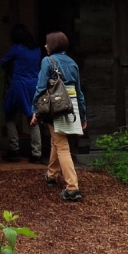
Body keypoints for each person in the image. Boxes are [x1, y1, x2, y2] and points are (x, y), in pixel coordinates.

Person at [31, 31, 87, 201]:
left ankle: (72, 188)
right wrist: (83, 115)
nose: (45, 46)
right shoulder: (73, 63)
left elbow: (41, 87)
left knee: (61, 145)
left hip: (55, 107)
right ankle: (52, 174)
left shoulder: (47, 61)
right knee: (57, 140)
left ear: (53, 45)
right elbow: (79, 92)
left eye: (47, 43)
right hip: (71, 106)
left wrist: (35, 110)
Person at [0, 24, 43, 163]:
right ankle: (36, 153)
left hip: (18, 85)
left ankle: (14, 149)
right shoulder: (36, 49)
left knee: (9, 115)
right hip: (34, 85)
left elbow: (3, 62)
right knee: (33, 118)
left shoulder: (17, 48)